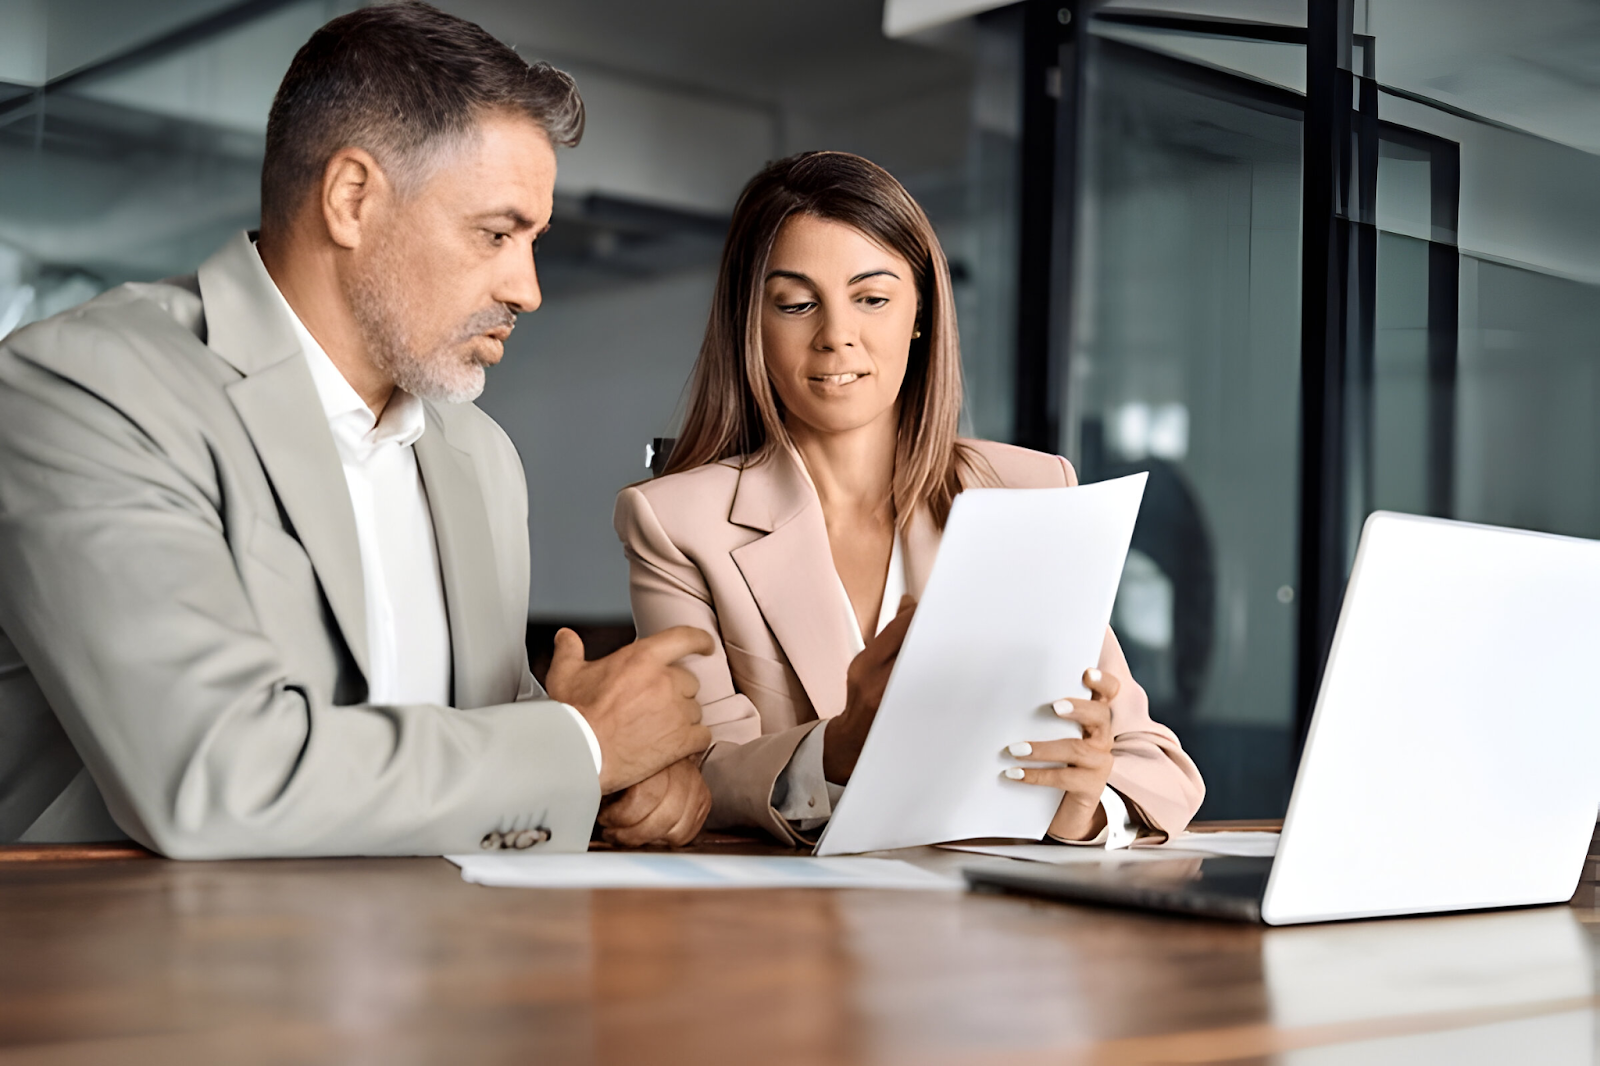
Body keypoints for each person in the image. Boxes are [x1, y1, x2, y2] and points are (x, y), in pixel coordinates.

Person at [0, 3, 715, 856]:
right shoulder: (86, 389)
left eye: (534, 241)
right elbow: (215, 775)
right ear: (351, 199)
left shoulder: (481, 459)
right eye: (496, 233)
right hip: (142, 970)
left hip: (440, 958)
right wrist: (584, 748)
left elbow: (486, 746)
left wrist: (621, 779)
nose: (527, 289)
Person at [610, 152, 1204, 847]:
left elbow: (1159, 768)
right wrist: (835, 749)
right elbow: (697, 770)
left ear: (919, 311)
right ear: (753, 324)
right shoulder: (676, 523)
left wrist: (1084, 802)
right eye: (797, 304)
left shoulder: (1028, 492)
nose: (837, 336)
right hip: (793, 932)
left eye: (873, 297)